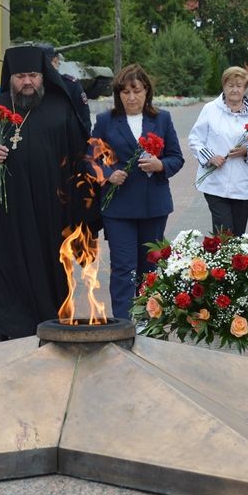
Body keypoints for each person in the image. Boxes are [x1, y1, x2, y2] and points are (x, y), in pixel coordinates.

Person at [0, 45, 94, 344]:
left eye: (33, 75)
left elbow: (79, 156)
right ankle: (1, 324)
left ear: (43, 76)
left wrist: (79, 205)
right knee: (1, 262)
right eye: (21, 76)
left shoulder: (61, 110)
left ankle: (51, 319)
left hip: (50, 207)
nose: (27, 82)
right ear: (11, 77)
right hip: (4, 210)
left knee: (51, 262)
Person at [90, 64, 185, 319]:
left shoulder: (161, 119)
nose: (131, 97)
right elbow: (90, 159)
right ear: (118, 95)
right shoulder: (105, 121)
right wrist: (109, 175)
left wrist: (160, 165)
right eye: (125, 92)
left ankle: (147, 322)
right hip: (119, 209)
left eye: (137, 91)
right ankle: (122, 322)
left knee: (150, 268)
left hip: (153, 206)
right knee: (123, 268)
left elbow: (177, 157)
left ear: (147, 92)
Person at [188, 66, 248, 236]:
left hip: (242, 185)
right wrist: (210, 157)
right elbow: (195, 139)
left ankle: (233, 262)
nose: (234, 90)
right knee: (224, 233)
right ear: (224, 86)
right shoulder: (210, 109)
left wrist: (247, 151)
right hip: (215, 183)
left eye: (239, 85)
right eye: (230, 85)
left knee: (238, 235)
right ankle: (221, 260)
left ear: (245, 88)